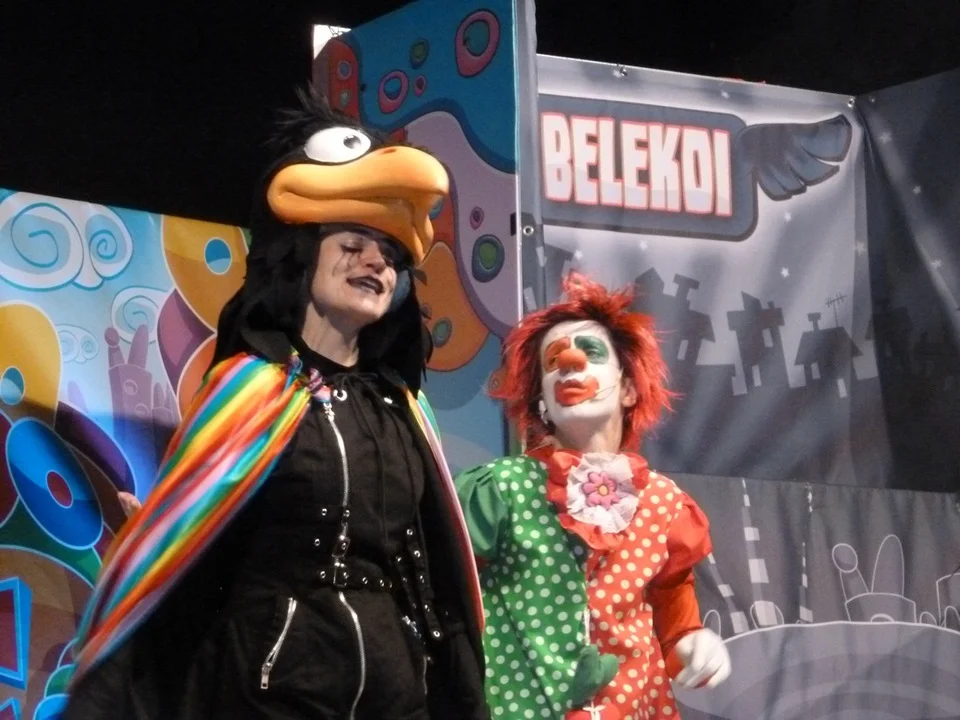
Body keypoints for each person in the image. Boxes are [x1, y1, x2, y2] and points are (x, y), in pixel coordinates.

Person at [64, 89, 489, 720]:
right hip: (266, 694)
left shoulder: (401, 410)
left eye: (392, 255)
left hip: (393, 695)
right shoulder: (250, 390)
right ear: (303, 253)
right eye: (353, 242)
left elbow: (434, 570)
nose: (376, 261)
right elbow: (182, 555)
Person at [456, 273, 731, 720]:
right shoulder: (501, 490)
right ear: (541, 401)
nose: (570, 362)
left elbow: (672, 607)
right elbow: (450, 597)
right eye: (553, 361)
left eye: (592, 352)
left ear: (628, 388)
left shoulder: (663, 504)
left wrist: (692, 644)